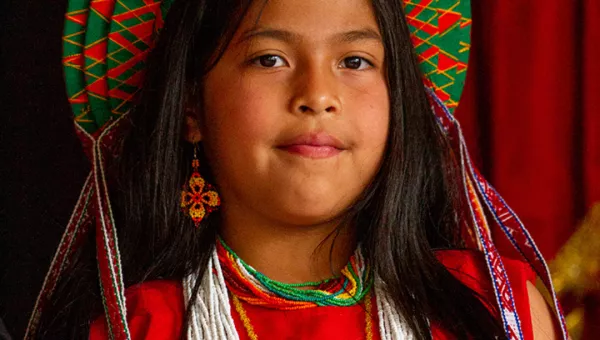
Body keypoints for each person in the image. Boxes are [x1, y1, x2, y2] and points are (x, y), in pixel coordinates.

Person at [28, 0, 566, 339]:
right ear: (193, 108)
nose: (318, 95)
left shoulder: (498, 310)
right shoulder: (129, 328)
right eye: (270, 59)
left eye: (355, 61)